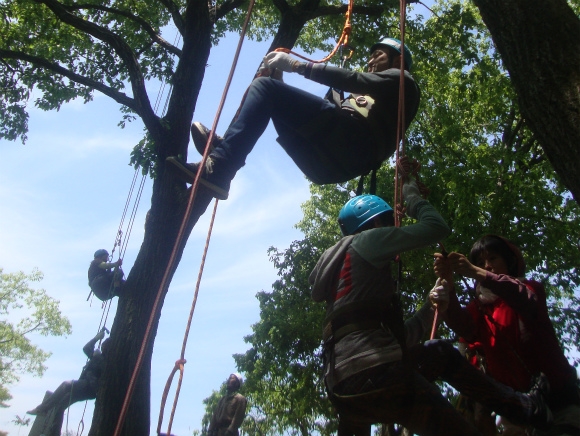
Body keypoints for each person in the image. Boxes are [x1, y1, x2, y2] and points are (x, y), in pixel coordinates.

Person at [309, 181, 552, 436]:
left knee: (437, 352)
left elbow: (399, 341)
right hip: (379, 373)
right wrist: (412, 197)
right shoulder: (367, 240)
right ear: (376, 222)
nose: (392, 230)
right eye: (388, 223)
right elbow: (437, 227)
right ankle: (528, 409)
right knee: (442, 362)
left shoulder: (342, 280)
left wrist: (430, 305)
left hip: (343, 389)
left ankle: (525, 408)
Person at [166, 37, 421, 200]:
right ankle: (226, 153)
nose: (370, 60)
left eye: (378, 55)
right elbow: (319, 115)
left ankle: (221, 165)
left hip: (352, 144)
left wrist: (297, 65)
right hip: (329, 161)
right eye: (371, 56)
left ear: (399, 60)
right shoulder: (369, 100)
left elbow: (354, 79)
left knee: (265, 88)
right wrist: (280, 84)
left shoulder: (404, 82)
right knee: (269, 91)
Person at [434, 234, 580, 436]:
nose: (487, 265)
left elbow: (522, 297)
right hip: (519, 414)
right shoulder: (480, 307)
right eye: (480, 262)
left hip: (560, 404)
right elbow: (465, 328)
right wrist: (449, 289)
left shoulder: (530, 289)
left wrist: (475, 271)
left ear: (509, 261)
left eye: (493, 258)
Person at [27, 328, 110, 434]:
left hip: (90, 387)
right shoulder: (98, 357)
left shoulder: (107, 361)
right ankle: (53, 433)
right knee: (60, 406)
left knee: (66, 385)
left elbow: (103, 369)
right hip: (85, 386)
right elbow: (86, 349)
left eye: (105, 345)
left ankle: (43, 409)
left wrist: (97, 358)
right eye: (103, 345)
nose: (103, 346)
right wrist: (96, 338)